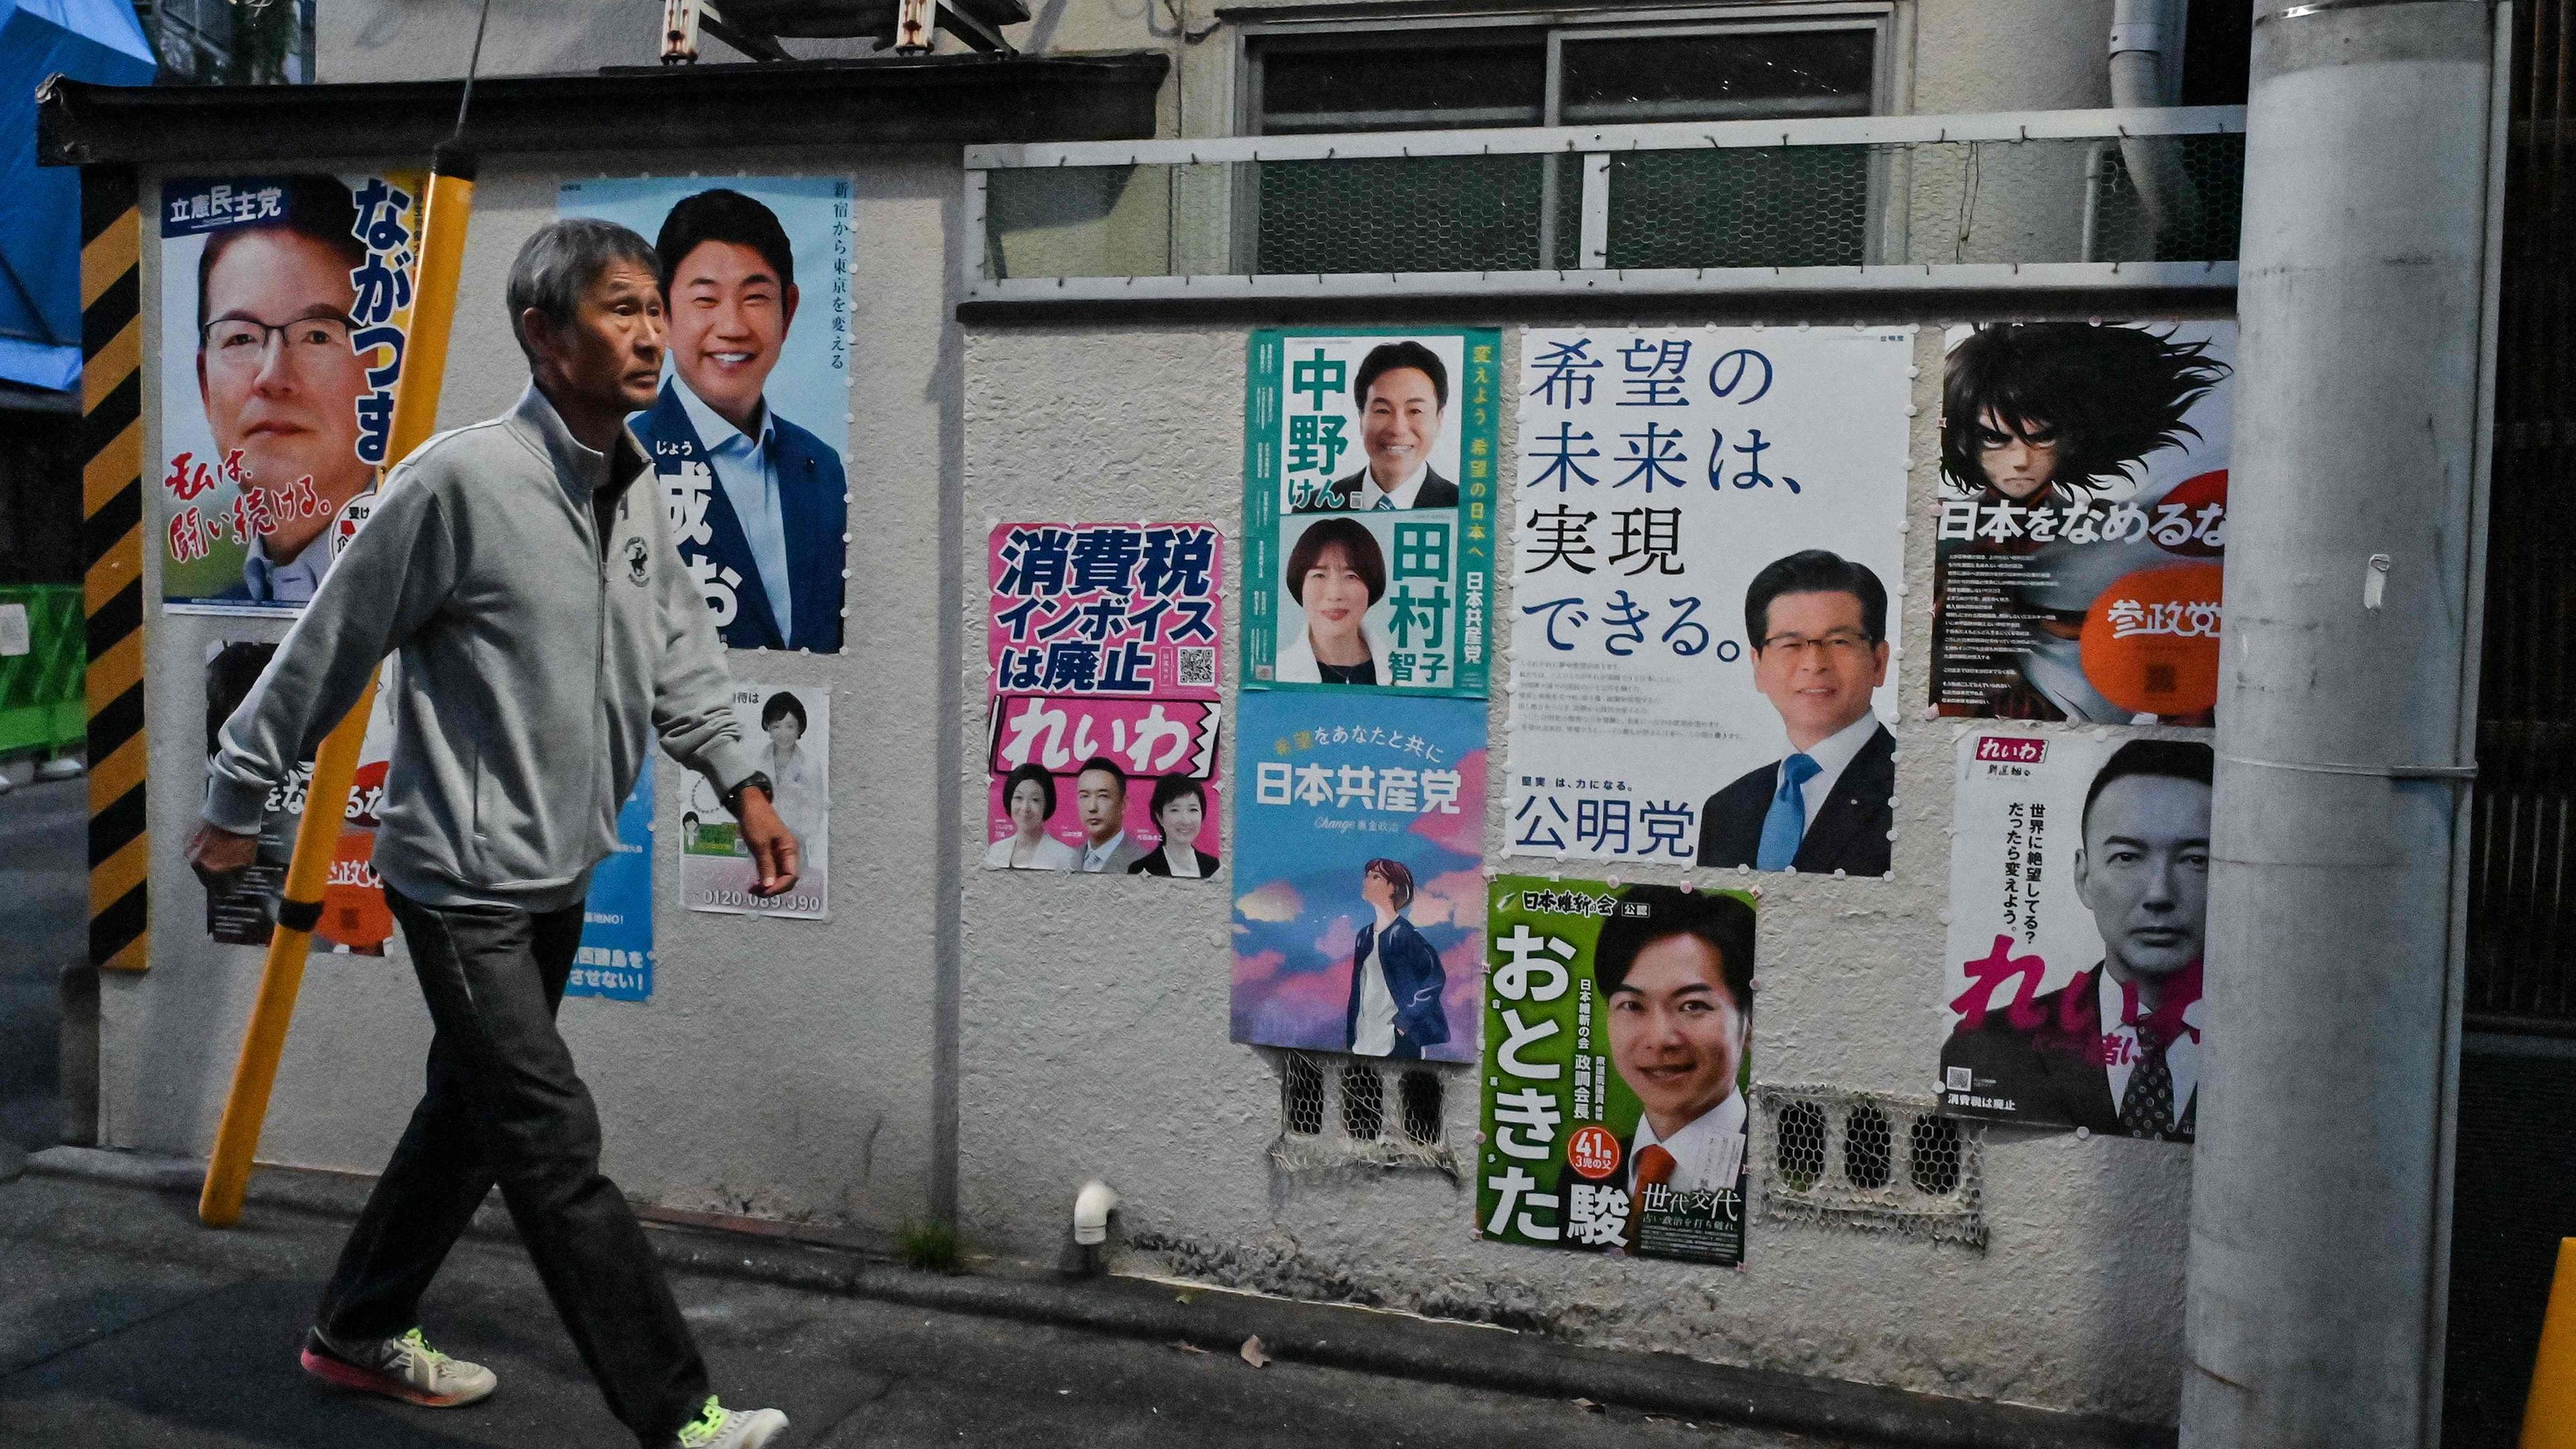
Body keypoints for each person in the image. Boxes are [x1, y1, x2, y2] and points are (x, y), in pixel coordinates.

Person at [184, 218, 796, 1449]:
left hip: (559, 867)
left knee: (470, 1116)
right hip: (460, 881)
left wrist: (745, 782)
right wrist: (235, 797)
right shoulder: (457, 483)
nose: (648, 336)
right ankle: (682, 1416)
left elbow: (679, 649)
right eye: (619, 310)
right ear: (541, 330)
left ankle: (356, 1327)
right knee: (551, 1140)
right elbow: (327, 646)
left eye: (647, 311)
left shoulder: (630, 483)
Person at [1933, 323, 2232, 722]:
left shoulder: (2111, 531)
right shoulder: (1946, 532)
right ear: (1963, 438)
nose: (2020, 460)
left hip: (2072, 707)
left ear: (2072, 438)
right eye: (1995, 438)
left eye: (2042, 437)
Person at [1941, 739, 2211, 1142]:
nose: (2159, 894)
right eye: (2127, 857)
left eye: (2195, 861)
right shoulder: (1988, 1048)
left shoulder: (2293, 1058)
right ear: (2083, 878)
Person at [633, 189, 847, 653]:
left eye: (755, 298)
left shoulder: (823, 467)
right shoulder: (620, 463)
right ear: (662, 315)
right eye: (706, 300)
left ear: (787, 312)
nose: (732, 326)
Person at [195, 174, 384, 604]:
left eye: (317, 335)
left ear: (384, 369)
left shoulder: (422, 591)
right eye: (241, 338)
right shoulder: (217, 609)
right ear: (205, 387)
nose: (273, 378)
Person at [1697, 550, 1895, 875]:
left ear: (1878, 662)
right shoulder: (1728, 808)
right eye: (1791, 644)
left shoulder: (1912, 791)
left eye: (1839, 641)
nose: (1814, 664)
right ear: (1758, 666)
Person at [1597, 885, 1755, 1196]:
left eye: (1693, 1006)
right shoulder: (1584, 1177)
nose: (1661, 1039)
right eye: (1632, 1005)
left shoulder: (1785, 1168)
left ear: (1750, 1024)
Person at [1293, 341, 1458, 513]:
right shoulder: (1313, 508)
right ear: (1361, 417)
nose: (1398, 429)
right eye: (1382, 411)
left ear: (1439, 419)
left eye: (1415, 411)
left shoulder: (1464, 508)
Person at [1342, 859, 1448, 1058]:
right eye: (1368, 876)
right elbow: (1360, 990)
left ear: (1393, 888)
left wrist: (1405, 1021)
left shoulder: (1405, 934)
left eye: (1375, 877)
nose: (1366, 881)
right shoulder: (1364, 936)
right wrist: (1351, 1037)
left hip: (1395, 1044)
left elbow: (1435, 977)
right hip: (1364, 1042)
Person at [1275, 517, 1393, 686]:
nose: (1335, 594)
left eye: (1351, 576)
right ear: (1300, 584)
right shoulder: (1277, 673)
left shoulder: (1407, 675)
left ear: (1372, 584)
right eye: (1319, 575)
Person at [757, 690, 823, 862]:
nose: (783, 733)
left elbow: (815, 809)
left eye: (790, 726)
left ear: (799, 728)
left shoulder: (810, 766)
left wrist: (796, 834)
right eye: (777, 726)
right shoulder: (756, 763)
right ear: (768, 728)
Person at [985, 761, 1077, 870]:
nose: (1025, 808)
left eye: (1035, 799)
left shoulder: (1066, 856)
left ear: (1047, 804)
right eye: (1019, 798)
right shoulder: (995, 851)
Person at [1129, 773, 1220, 878]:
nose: (1186, 820)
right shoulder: (1141, 869)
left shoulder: (1214, 867)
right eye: (1175, 810)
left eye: (1193, 810)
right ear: (1160, 817)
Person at [1072, 757, 1147, 873]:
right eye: (1085, 796)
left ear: (1123, 804)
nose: (1092, 807)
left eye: (1103, 796)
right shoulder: (1068, 858)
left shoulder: (1141, 861)